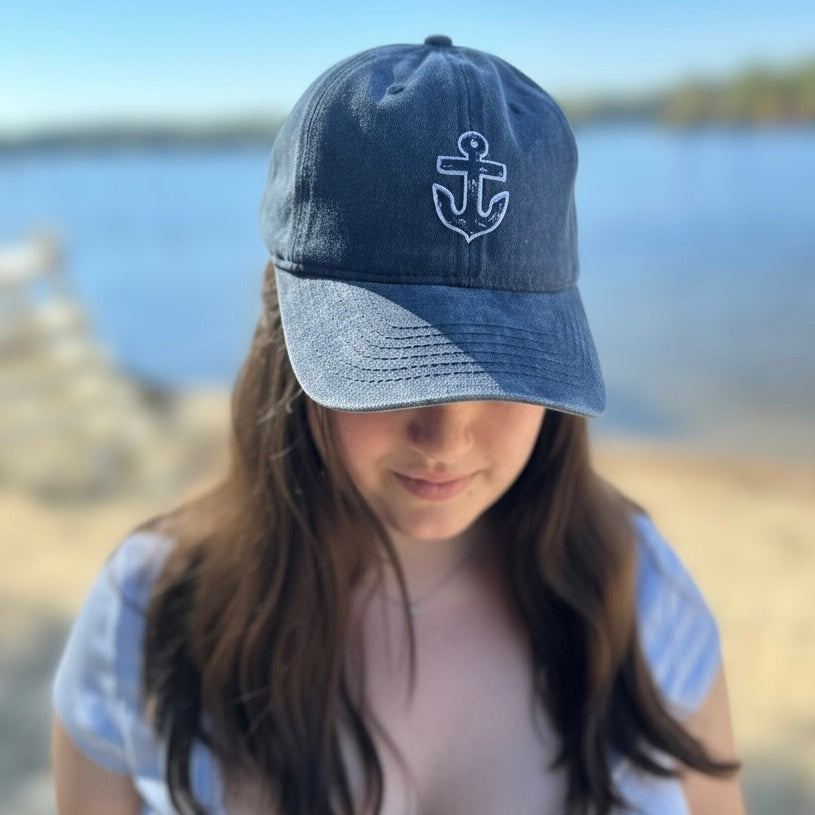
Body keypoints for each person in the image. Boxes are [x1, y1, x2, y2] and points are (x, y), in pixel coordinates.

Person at [51, 36, 746, 815]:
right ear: (284, 331)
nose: (445, 435)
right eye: (391, 369)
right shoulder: (148, 618)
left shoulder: (641, 597)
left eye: (499, 367)